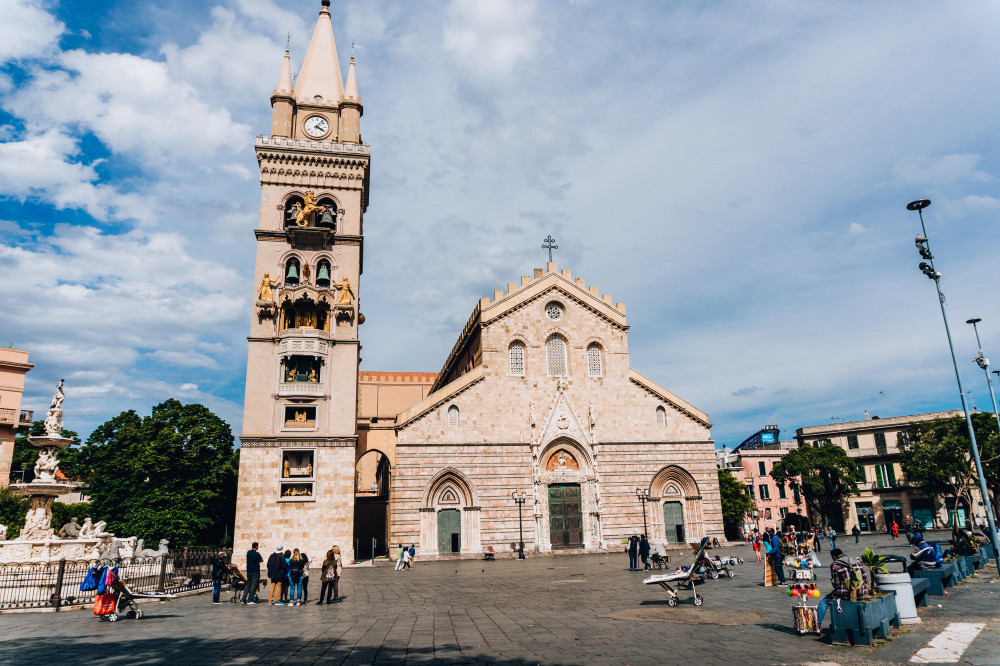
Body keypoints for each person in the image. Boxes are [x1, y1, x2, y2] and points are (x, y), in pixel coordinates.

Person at [817, 549, 867, 629]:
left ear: (834, 556)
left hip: (845, 592)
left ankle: (817, 625)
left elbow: (836, 584)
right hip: (861, 591)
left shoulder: (835, 565)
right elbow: (865, 579)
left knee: (824, 602)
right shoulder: (857, 562)